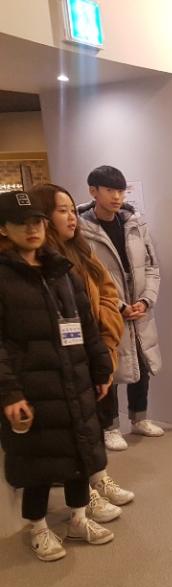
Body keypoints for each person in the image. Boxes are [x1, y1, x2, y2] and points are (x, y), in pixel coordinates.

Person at [0, 191, 116, 561]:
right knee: (38, 459)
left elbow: (87, 325)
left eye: (36, 221)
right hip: (32, 385)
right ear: (4, 229)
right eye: (21, 223)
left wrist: (101, 367)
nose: (31, 229)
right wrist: (10, 393)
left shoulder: (61, 270)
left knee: (79, 450)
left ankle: (78, 518)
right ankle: (37, 527)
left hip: (74, 376)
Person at [32, 183, 135, 518]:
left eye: (71, 210)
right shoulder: (39, 260)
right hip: (61, 360)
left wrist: (105, 333)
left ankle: (98, 478)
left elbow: (108, 292)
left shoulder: (80, 250)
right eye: (61, 211)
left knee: (90, 424)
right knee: (72, 431)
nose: (71, 217)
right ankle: (85, 493)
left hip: (93, 348)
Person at [78, 165, 164, 451]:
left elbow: (151, 266)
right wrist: (118, 305)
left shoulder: (135, 223)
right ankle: (110, 426)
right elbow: (86, 276)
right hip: (107, 310)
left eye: (120, 190)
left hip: (139, 308)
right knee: (110, 368)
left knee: (142, 361)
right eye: (109, 190)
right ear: (93, 191)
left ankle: (140, 418)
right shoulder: (81, 229)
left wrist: (145, 300)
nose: (117, 196)